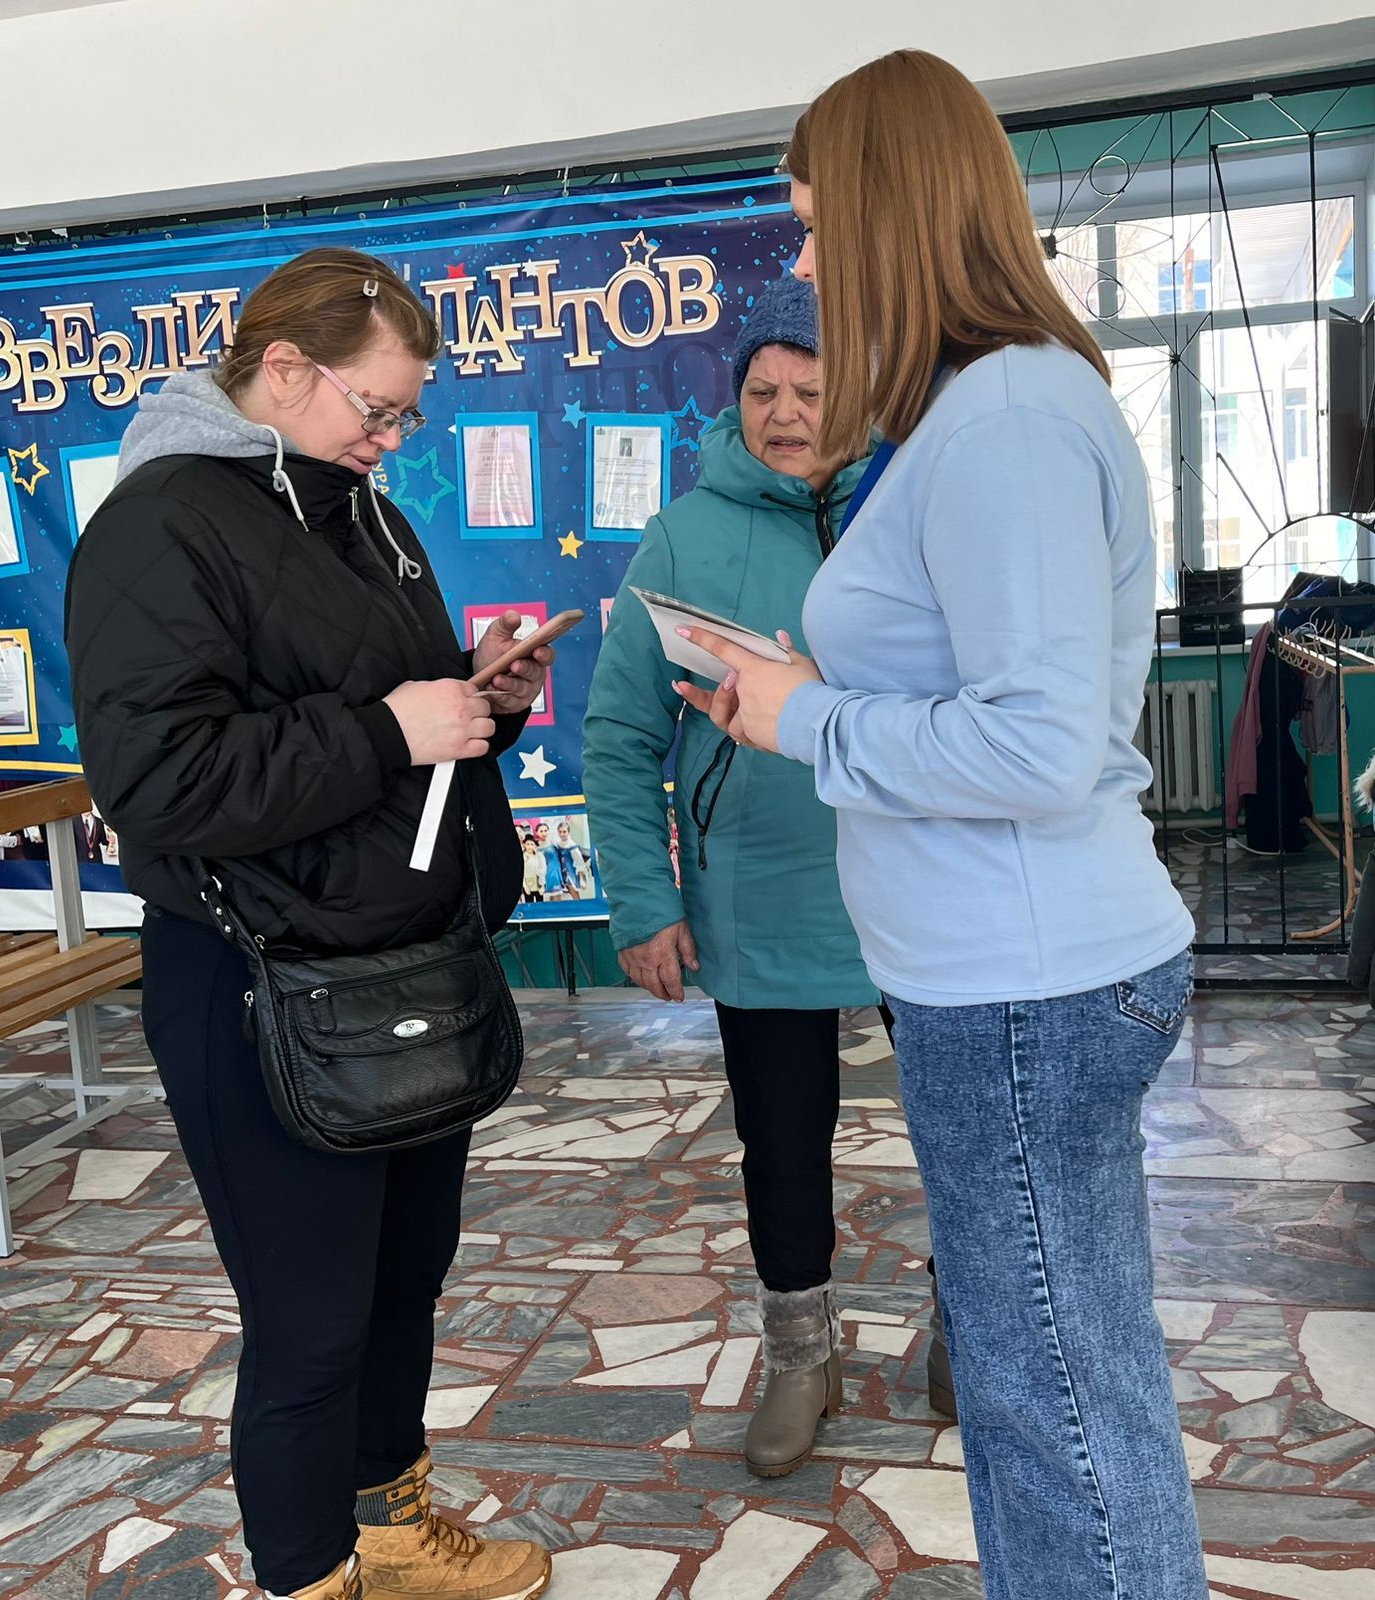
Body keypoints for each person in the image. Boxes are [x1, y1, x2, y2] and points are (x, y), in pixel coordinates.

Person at [674, 51, 1205, 1600]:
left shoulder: (1009, 417)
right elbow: (991, 682)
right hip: (1001, 979)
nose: (812, 264)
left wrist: (807, 718)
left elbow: (1039, 744)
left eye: (823, 226)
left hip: (1023, 988)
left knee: (1056, 1414)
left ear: (898, 217)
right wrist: (806, 680)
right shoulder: (983, 410)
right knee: (1068, 1386)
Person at [65, 248, 554, 1600]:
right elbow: (161, 782)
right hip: (255, 981)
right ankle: (304, 1574)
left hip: (396, 960)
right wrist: (390, 726)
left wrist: (474, 705)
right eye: (376, 408)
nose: (392, 439)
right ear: (282, 370)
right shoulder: (159, 522)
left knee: (405, 1283)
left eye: (407, 416)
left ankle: (390, 1531)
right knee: (310, 1324)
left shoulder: (357, 509)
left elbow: (373, 722)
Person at [584, 276, 954, 1478]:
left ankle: (973, 1322)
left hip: (924, 880)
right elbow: (620, 732)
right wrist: (644, 901)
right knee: (782, 1141)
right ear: (732, 403)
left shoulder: (911, 504)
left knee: (959, 1125)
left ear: (852, 399)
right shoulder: (685, 534)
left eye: (810, 390)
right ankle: (803, 1350)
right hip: (760, 893)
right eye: (761, 392)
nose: (785, 412)